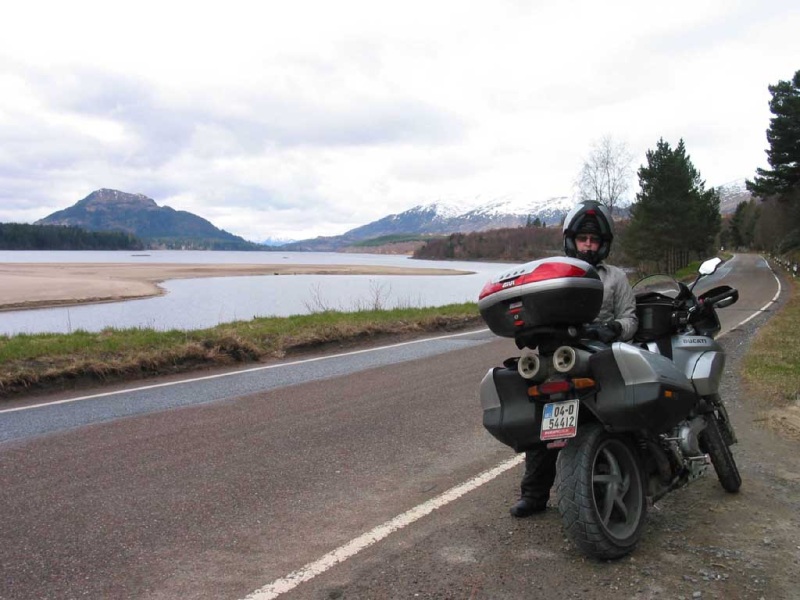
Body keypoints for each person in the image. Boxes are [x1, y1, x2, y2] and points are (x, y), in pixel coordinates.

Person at [509, 200, 638, 518]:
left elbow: (631, 319)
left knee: (620, 417)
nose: (588, 245)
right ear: (572, 240)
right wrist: (527, 331)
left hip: (602, 357)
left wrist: (614, 328)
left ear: (603, 244)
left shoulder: (616, 278)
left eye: (594, 240)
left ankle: (625, 481)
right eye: (583, 239)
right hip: (558, 362)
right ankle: (534, 495)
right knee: (542, 424)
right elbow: (532, 312)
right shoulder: (553, 277)